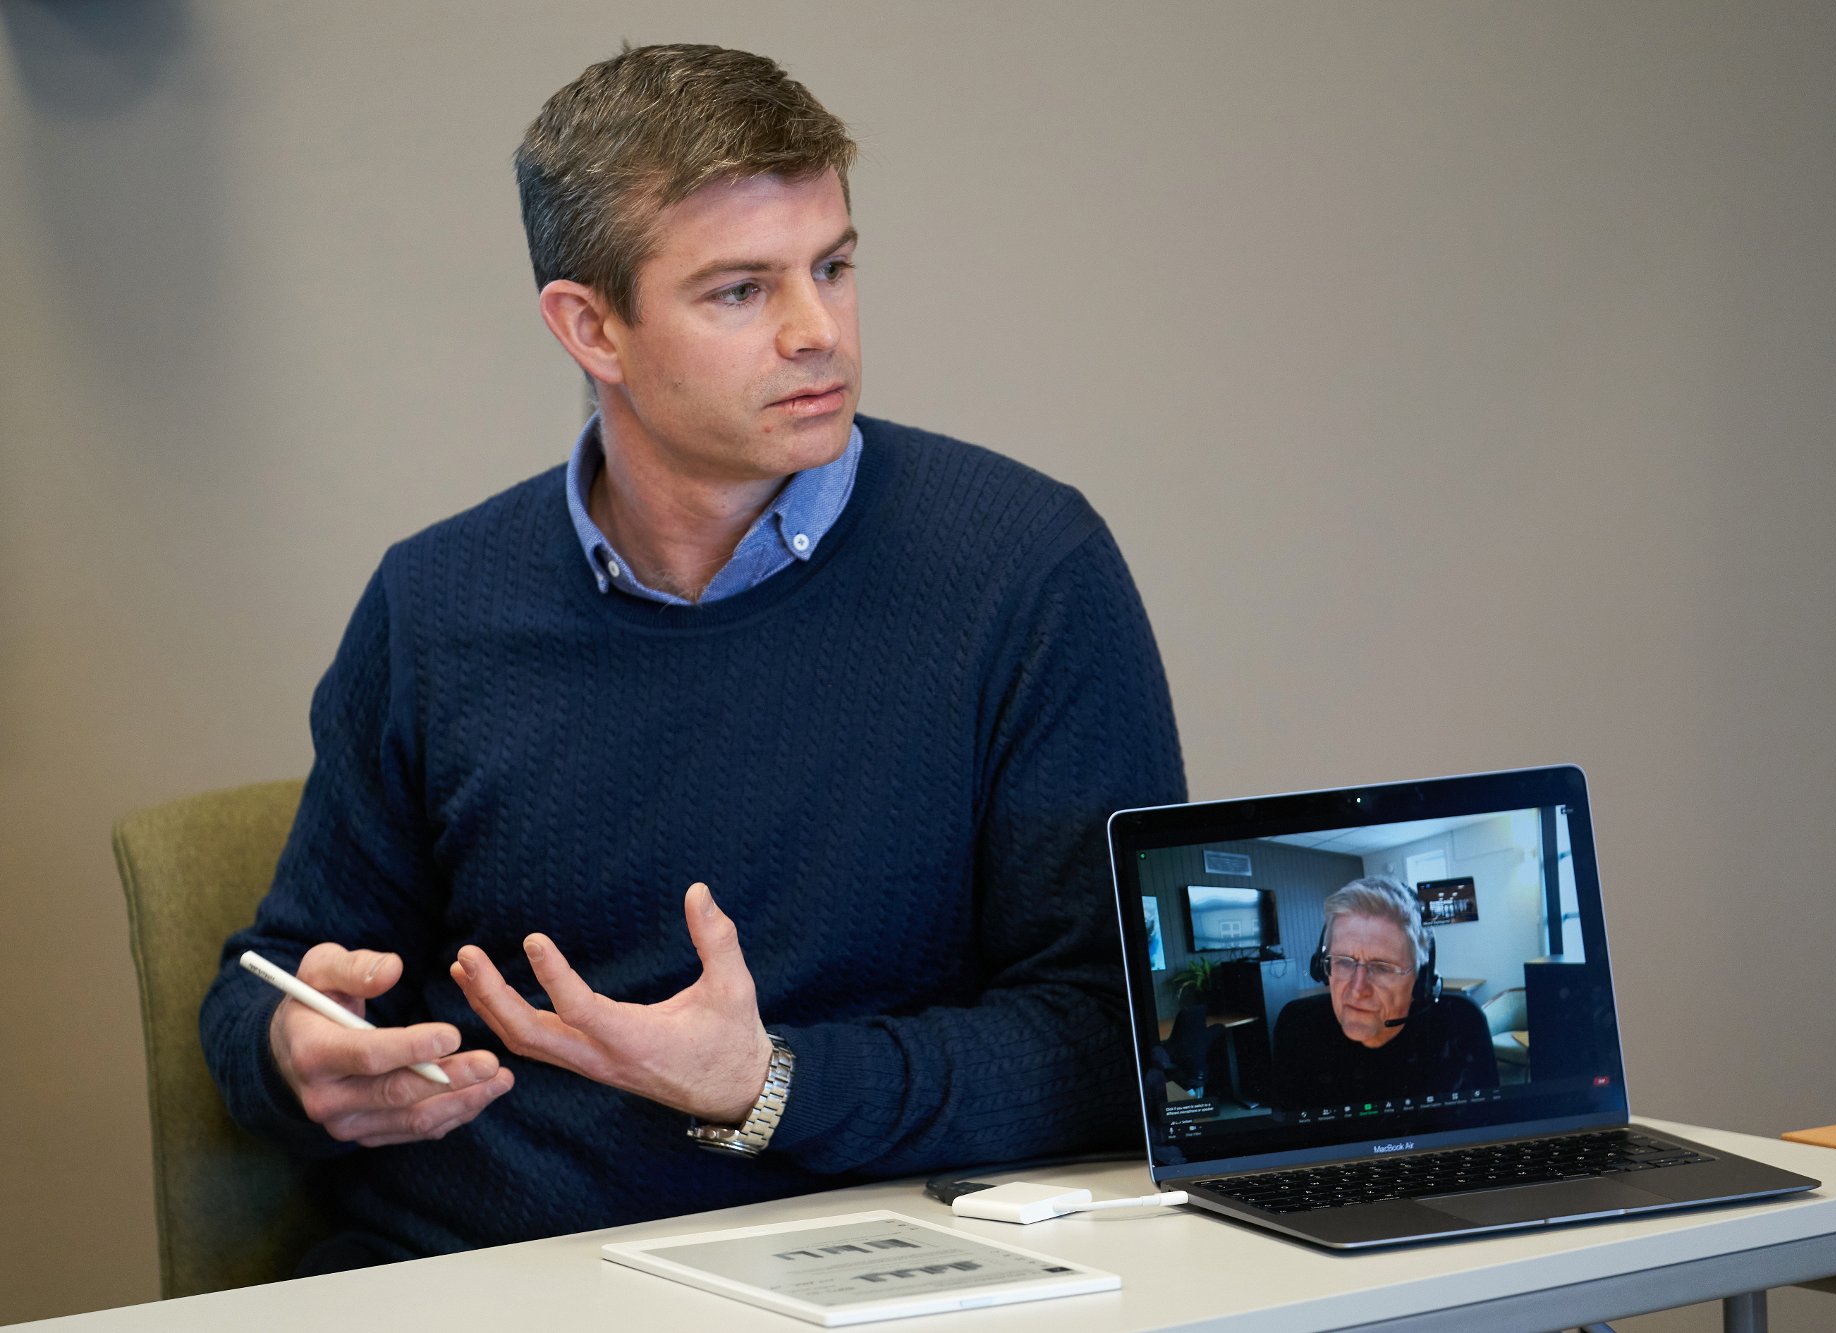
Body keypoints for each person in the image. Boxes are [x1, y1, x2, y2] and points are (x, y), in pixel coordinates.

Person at [199, 43, 1184, 1270]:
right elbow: (277, 977)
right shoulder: (436, 601)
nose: (817, 331)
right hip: (482, 1269)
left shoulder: (1025, 567)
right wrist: (297, 1053)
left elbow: (1120, 1033)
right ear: (590, 327)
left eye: (832, 266)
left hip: (860, 1257)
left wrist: (768, 1082)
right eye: (739, 291)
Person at [1267, 878, 1496, 1112]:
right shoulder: (1298, 1028)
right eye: (1344, 962)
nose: (1358, 989)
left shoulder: (1461, 1027)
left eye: (1382, 967)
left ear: (1421, 979)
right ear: (1322, 968)